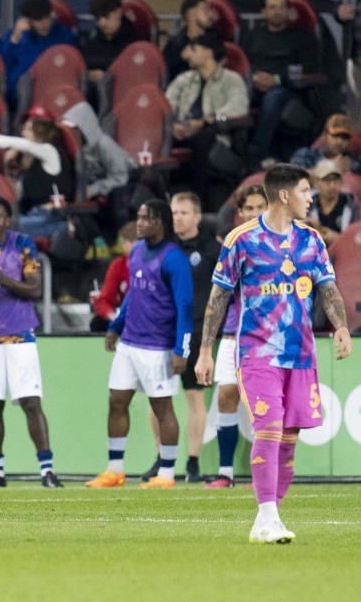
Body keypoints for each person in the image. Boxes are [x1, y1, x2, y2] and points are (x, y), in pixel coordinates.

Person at [195, 164, 352, 543]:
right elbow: (218, 296)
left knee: (289, 437)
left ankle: (271, 516)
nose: (310, 198)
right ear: (284, 195)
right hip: (257, 352)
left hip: (301, 353)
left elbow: (327, 289)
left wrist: (342, 326)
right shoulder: (241, 239)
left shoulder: (311, 241)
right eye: (304, 190)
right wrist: (205, 350)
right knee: (268, 428)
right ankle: (266, 516)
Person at [86, 200, 193, 489]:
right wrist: (116, 326)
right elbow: (133, 294)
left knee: (162, 408)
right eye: (139, 216)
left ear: (162, 222)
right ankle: (115, 470)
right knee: (116, 401)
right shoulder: (136, 252)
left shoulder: (175, 258)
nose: (140, 223)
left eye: (147, 218)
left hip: (157, 346)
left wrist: (181, 350)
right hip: (129, 342)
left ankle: (167, 474)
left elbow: (185, 306)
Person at [0, 196, 63, 488]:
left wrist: (3, 281)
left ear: (8, 220)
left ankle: (47, 470)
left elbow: (35, 289)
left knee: (31, 402)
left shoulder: (23, 244)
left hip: (21, 334)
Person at [142, 192, 220, 483]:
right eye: (174, 212)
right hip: (163, 331)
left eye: (184, 212)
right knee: (157, 399)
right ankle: (162, 458)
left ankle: (193, 463)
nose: (178, 218)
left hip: (198, 331)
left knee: (194, 397)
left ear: (198, 216)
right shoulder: (161, 248)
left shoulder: (212, 249)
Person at [206, 184, 267, 489]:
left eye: (260, 207)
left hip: (265, 337)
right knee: (226, 396)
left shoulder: (279, 245)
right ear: (239, 212)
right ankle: (225, 472)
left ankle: (264, 474)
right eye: (249, 209)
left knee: (264, 404)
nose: (254, 213)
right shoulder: (231, 246)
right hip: (232, 334)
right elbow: (219, 295)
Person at [165, 31, 250, 212]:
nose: (188, 54)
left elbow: (238, 109)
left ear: (208, 52)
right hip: (182, 131)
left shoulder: (231, 79)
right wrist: (172, 126)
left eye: (193, 49)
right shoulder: (184, 79)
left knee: (201, 138)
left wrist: (205, 121)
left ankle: (198, 207)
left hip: (215, 134)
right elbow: (165, 106)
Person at [241, 0, 320, 162]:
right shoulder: (252, 36)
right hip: (254, 86)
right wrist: (254, 79)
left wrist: (275, 80)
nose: (277, 11)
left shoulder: (303, 37)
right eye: (272, 7)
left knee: (273, 96)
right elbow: (243, 64)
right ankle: (236, 153)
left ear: (288, 12)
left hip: (290, 90)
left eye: (282, 7)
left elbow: (309, 70)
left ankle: (257, 153)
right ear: (264, 12)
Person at [0, 115, 75, 237]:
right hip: (32, 214)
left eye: (27, 129)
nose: (22, 133)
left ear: (39, 133)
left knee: (0, 227)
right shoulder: (31, 161)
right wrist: (6, 165)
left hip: (49, 216)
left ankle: (65, 227)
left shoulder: (50, 152)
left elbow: (25, 145)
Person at [0, 0, 75, 110]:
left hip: (52, 90)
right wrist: (15, 38)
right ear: (28, 21)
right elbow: (1, 66)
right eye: (38, 20)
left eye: (47, 18)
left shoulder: (63, 35)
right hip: (20, 95)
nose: (44, 24)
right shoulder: (15, 36)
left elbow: (71, 64)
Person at [80, 0, 138, 100]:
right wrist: (88, 75)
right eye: (98, 18)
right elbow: (78, 72)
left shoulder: (134, 44)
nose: (102, 23)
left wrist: (107, 77)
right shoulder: (91, 44)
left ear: (119, 12)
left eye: (106, 16)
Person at [90, 221, 137, 332]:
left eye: (129, 240)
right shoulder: (118, 265)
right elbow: (104, 299)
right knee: (98, 323)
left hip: (147, 317)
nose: (124, 244)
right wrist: (112, 316)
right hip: (125, 316)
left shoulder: (153, 265)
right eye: (123, 240)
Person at [307, 159, 360, 247]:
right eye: (326, 180)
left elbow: (358, 242)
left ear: (341, 181)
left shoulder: (353, 206)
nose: (332, 185)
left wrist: (339, 239)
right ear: (316, 182)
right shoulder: (308, 204)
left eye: (336, 180)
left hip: (344, 254)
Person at [290, 113, 361, 173]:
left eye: (345, 137)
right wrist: (333, 167)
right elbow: (294, 179)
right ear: (325, 135)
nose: (339, 141)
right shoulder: (305, 155)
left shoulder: (354, 162)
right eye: (335, 135)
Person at [162, 0, 213, 79]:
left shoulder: (215, 41)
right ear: (191, 14)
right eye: (205, 10)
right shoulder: (173, 46)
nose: (211, 14)